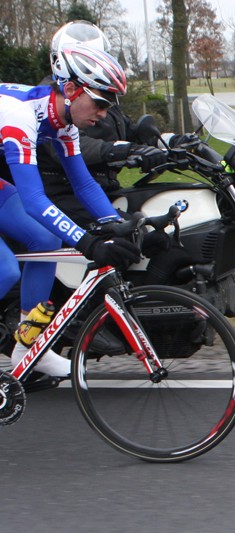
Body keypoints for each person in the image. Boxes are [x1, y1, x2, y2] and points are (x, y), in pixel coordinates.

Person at [0, 43, 140, 378]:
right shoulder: (19, 116)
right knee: (5, 270)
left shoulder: (63, 123)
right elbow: (35, 200)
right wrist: (88, 243)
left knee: (45, 241)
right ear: (72, 89)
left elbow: (85, 185)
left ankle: (28, 347)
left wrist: (118, 226)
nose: (104, 114)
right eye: (101, 102)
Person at [36, 20, 168, 228]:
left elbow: (129, 131)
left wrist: (170, 141)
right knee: (132, 235)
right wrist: (120, 151)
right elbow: (70, 146)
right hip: (62, 192)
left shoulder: (101, 97)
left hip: (98, 186)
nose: (94, 67)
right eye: (86, 60)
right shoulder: (47, 102)